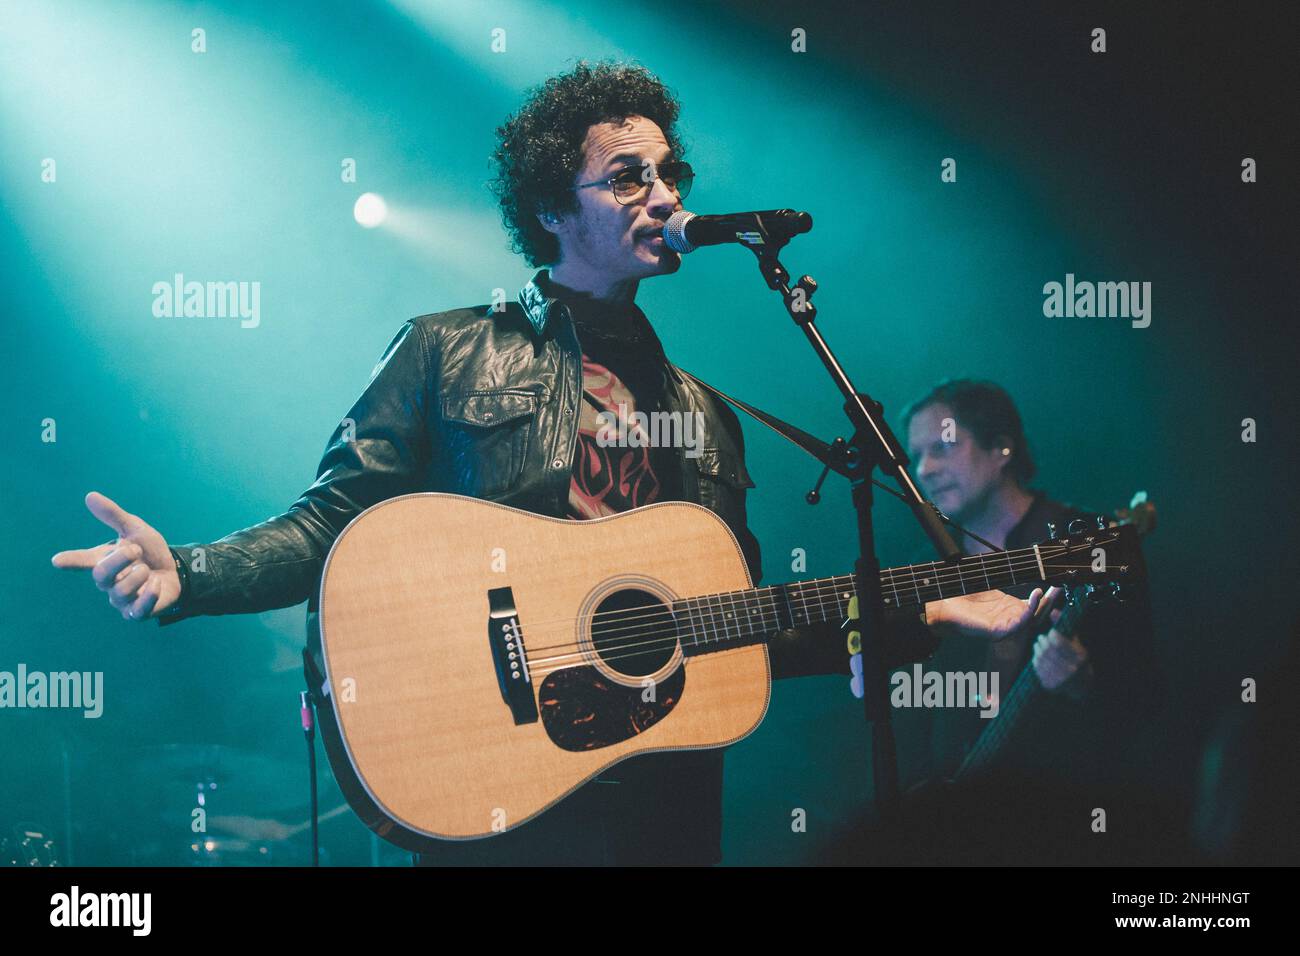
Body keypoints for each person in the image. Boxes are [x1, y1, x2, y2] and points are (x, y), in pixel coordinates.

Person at [52, 63, 1057, 866]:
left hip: (661, 800)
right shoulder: (448, 350)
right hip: (495, 777)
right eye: (628, 175)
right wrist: (191, 570)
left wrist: (915, 611)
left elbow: (729, 622)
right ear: (549, 207)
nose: (663, 196)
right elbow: (334, 523)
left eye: (669, 174)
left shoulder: (709, 417)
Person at [890, 378, 1161, 863]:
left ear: (1001, 448)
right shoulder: (924, 566)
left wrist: (1085, 682)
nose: (924, 470)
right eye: (916, 456)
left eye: (943, 448)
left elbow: (1148, 693)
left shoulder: (1083, 542)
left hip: (1065, 826)